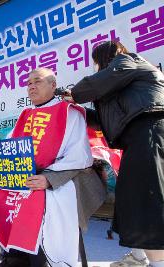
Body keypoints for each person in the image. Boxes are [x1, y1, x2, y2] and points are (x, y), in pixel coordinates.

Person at [0, 68, 105, 267]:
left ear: (53, 85)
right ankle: (15, 256)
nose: (31, 86)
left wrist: (50, 179)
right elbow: (9, 149)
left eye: (37, 81)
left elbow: (80, 157)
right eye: (28, 83)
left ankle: (43, 260)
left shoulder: (69, 112)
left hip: (64, 177)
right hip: (27, 177)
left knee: (38, 197)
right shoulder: (24, 115)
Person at [70, 41, 164, 267]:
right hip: (138, 139)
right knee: (133, 199)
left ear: (106, 58)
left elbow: (88, 88)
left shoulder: (127, 61)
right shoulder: (121, 85)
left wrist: (73, 94)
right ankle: (139, 256)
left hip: (150, 131)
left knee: (147, 200)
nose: (94, 68)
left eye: (95, 62)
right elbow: (105, 122)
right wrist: (78, 110)